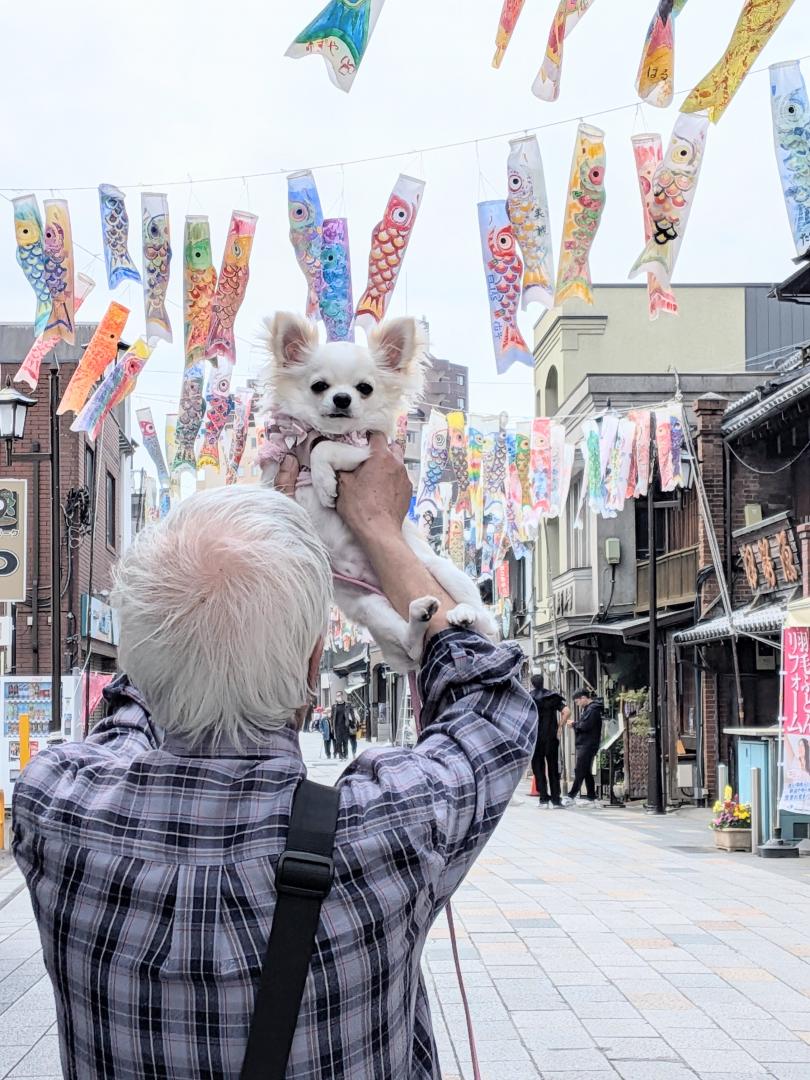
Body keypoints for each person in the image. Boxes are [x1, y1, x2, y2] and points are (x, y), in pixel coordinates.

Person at [12, 435, 535, 1079]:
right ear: (314, 665)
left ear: (140, 653)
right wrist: (378, 530)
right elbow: (494, 700)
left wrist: (237, 542)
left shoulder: (53, 808)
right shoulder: (387, 832)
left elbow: (129, 710)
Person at [529, 674, 570, 808]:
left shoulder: (529, 698)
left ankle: (543, 800)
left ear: (532, 683)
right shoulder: (552, 697)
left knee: (538, 768)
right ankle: (556, 800)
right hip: (551, 737)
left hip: (536, 739)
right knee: (553, 768)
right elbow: (567, 711)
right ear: (543, 682)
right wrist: (559, 726)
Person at [564, 687, 605, 806]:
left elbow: (585, 726)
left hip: (588, 744)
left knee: (579, 770)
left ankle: (571, 796)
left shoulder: (592, 710)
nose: (577, 704)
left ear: (583, 698)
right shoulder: (590, 709)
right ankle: (592, 797)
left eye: (577, 702)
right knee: (586, 770)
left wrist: (574, 724)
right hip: (586, 743)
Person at [331, 691, 353, 760]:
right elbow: (332, 717)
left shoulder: (347, 705)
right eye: (337, 696)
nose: (339, 697)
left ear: (342, 696)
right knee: (338, 742)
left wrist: (353, 722)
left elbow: (352, 714)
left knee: (345, 742)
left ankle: (345, 754)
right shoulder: (334, 706)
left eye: (340, 695)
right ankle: (340, 755)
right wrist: (332, 726)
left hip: (345, 726)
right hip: (337, 726)